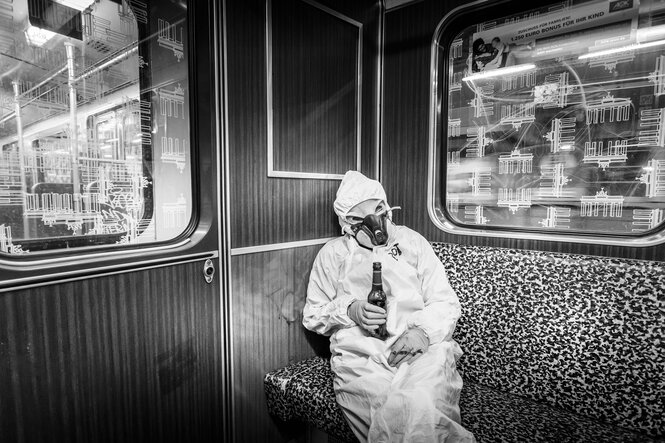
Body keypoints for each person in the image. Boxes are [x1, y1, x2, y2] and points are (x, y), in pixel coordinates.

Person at [303, 171, 476, 443]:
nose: (374, 224)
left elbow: (444, 300)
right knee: (384, 412)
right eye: (360, 218)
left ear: (386, 208)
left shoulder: (412, 243)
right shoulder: (334, 254)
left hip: (421, 351)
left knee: (422, 406)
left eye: (378, 210)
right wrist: (350, 310)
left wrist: (422, 332)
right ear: (348, 224)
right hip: (361, 356)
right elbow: (313, 314)